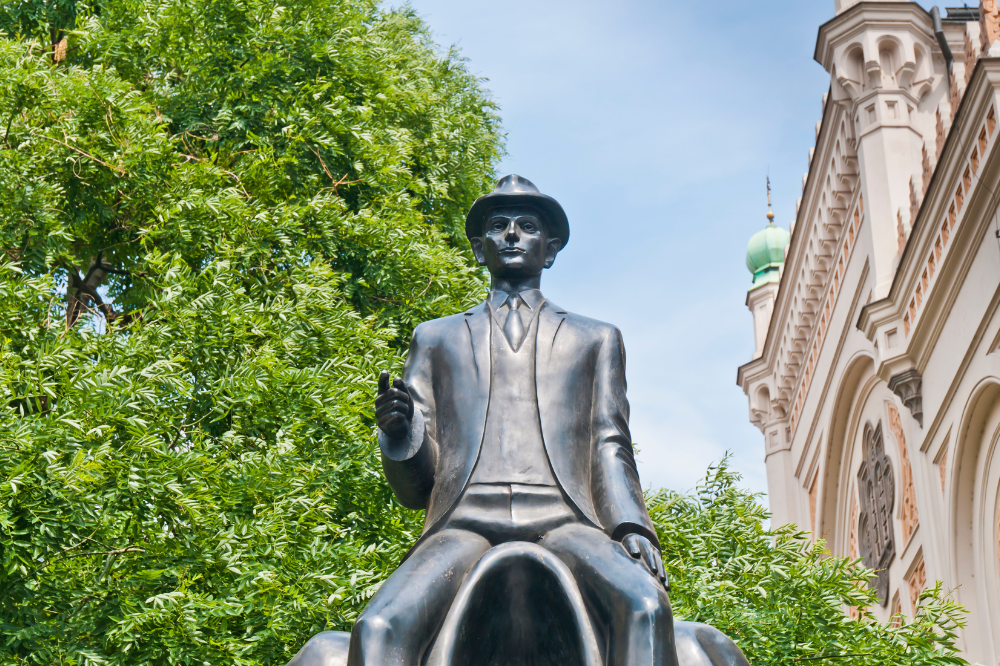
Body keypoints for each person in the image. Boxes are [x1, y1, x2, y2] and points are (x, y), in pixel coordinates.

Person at [353, 175, 678, 666]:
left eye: (527, 226)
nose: (511, 234)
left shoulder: (596, 339)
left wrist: (632, 526)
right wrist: (402, 434)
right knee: (378, 627)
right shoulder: (435, 339)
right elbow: (417, 486)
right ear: (479, 249)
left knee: (647, 606)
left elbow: (609, 442)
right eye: (499, 225)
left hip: (565, 523)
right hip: (463, 524)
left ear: (548, 250)